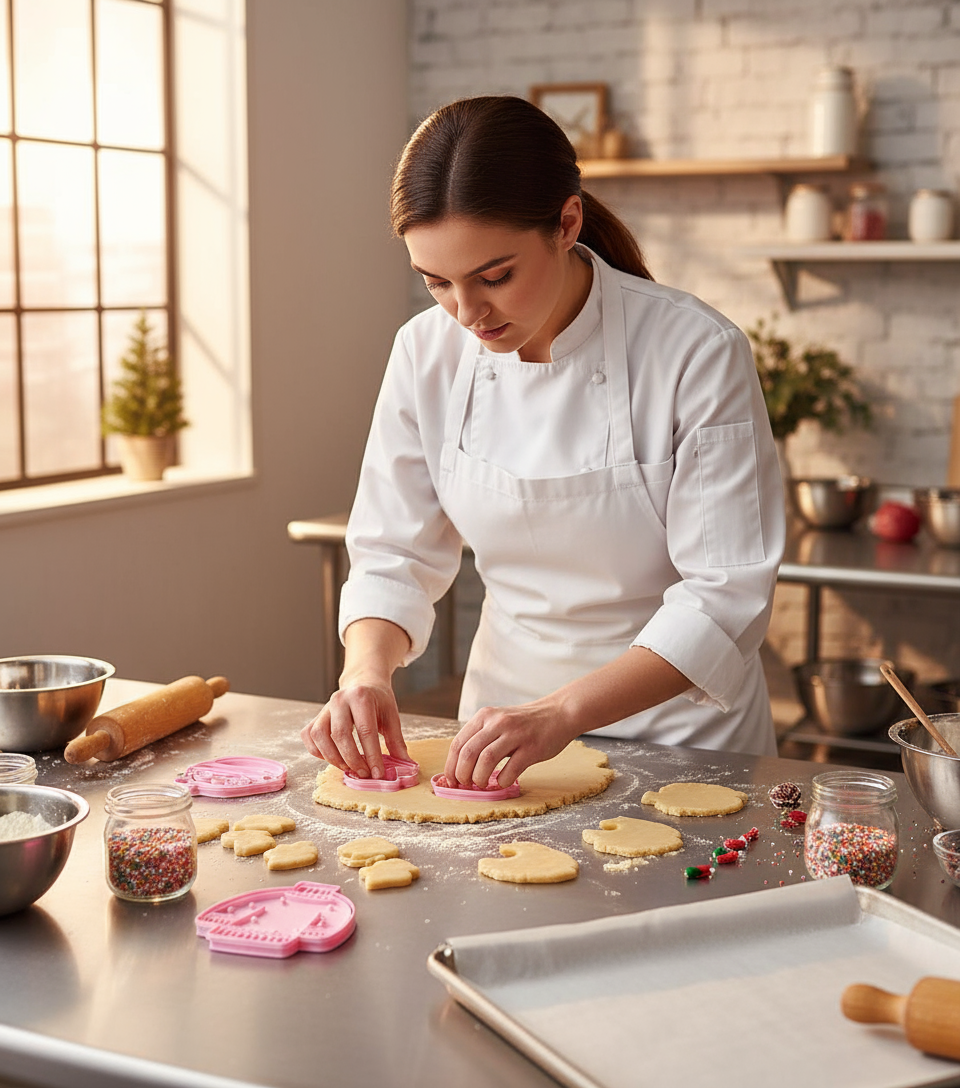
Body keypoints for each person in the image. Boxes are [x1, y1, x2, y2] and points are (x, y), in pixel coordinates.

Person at [301, 95, 785, 790]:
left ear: (566, 222)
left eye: (494, 277)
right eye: (436, 283)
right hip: (501, 751)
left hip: (684, 744)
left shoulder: (695, 351)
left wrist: (562, 713)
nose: (467, 314)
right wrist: (365, 672)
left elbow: (725, 596)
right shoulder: (423, 353)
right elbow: (393, 553)